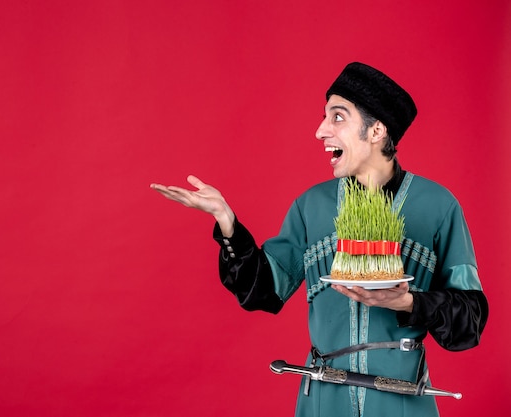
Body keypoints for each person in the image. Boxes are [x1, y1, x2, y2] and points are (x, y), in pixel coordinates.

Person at [150, 62, 488, 417]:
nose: (320, 131)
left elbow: (469, 321)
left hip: (401, 398)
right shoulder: (311, 206)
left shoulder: (437, 206)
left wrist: (406, 303)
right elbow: (263, 291)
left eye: (338, 117)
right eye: (325, 117)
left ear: (376, 131)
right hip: (324, 398)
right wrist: (227, 222)